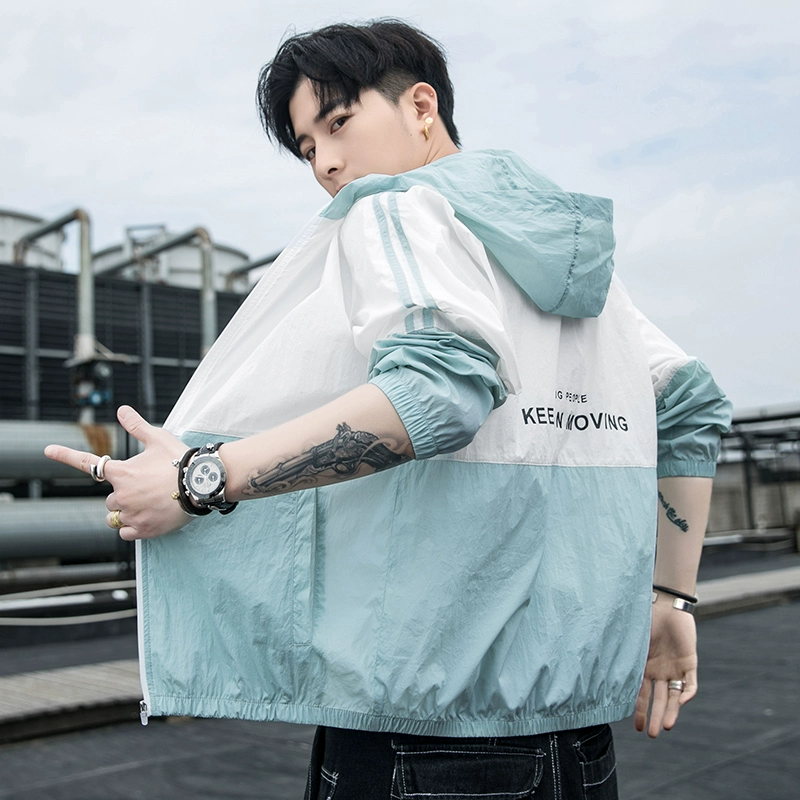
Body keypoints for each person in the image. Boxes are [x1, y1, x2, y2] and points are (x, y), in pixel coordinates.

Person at [46, 19, 732, 799]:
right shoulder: (578, 272)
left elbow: (439, 388)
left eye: (338, 122)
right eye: (306, 148)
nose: (326, 163)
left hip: (420, 729)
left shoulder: (397, 212)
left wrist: (198, 479)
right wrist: (671, 600)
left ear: (420, 106)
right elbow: (690, 402)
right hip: (577, 738)